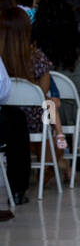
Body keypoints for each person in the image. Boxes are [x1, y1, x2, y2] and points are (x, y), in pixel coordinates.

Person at [33, 0, 80, 184]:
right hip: (75, 108)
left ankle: (52, 162)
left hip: (45, 108)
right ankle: (57, 161)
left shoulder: (34, 44)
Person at [0, 6, 70, 184]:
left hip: (4, 118)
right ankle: (51, 162)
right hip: (34, 120)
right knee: (49, 107)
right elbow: (42, 93)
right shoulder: (37, 57)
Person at [0, 56, 29, 211]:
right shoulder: (35, 57)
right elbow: (3, 91)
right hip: (40, 116)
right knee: (17, 118)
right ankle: (17, 189)